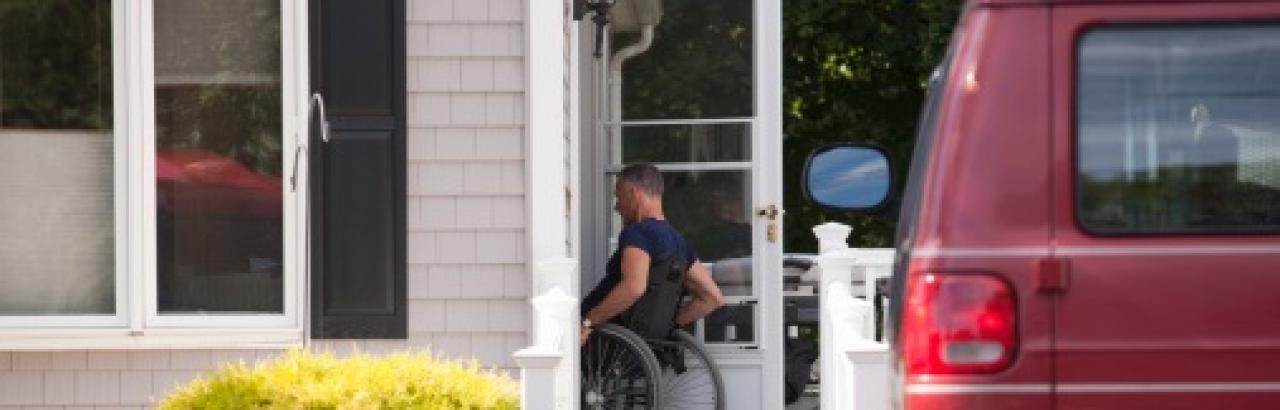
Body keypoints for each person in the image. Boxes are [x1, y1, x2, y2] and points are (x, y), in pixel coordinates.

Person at [580, 163, 724, 344]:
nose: (617, 207)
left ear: (633, 192)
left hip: (601, 340)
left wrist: (588, 321)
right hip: (639, 345)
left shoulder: (638, 233)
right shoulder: (679, 243)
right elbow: (713, 298)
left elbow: (633, 288)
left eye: (619, 197)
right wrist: (666, 327)